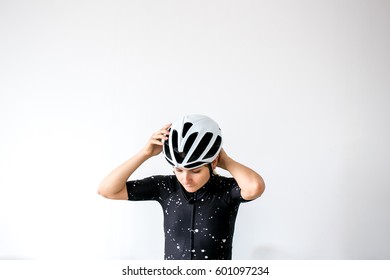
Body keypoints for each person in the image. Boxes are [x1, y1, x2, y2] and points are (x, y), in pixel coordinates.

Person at [98, 114, 265, 260]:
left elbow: (255, 187)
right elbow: (107, 190)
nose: (186, 179)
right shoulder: (166, 187)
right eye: (178, 170)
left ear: (213, 163)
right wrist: (145, 153)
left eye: (195, 171)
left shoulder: (225, 190)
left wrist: (226, 161)